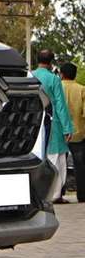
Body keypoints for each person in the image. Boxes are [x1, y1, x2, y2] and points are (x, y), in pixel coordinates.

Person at [32, 49, 74, 203]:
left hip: (33, 123)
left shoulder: (30, 76)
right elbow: (60, 106)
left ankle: (37, 194)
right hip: (53, 124)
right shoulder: (54, 79)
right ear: (51, 62)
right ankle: (55, 194)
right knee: (56, 159)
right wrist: (67, 128)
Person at [60, 61, 85, 203]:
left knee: (59, 163)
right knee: (80, 165)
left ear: (61, 74)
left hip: (60, 134)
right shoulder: (82, 89)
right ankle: (82, 195)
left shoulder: (57, 88)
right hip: (78, 134)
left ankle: (59, 193)